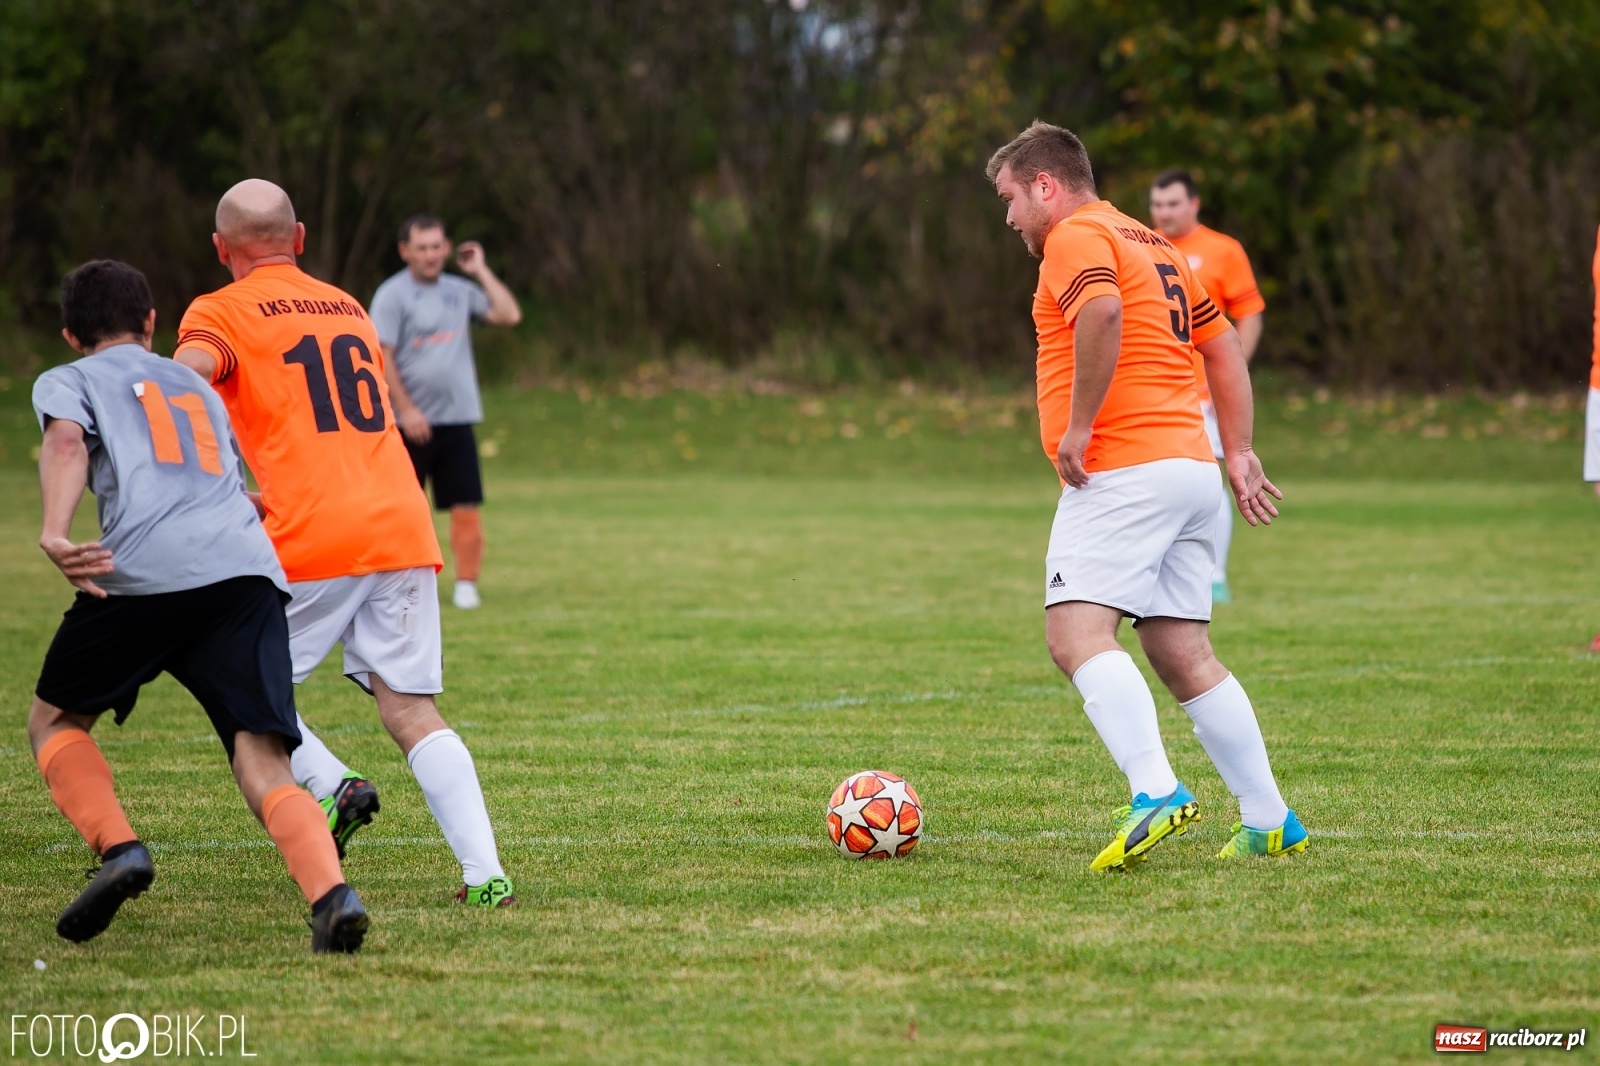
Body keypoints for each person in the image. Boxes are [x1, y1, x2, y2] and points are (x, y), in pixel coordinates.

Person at [174, 180, 516, 907]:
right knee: (412, 710)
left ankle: (332, 786)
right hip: (398, 521)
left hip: (309, 530)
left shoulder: (217, 310)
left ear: (220, 248)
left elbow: (186, 381)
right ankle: (487, 878)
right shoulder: (346, 303)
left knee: (231, 678)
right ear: (298, 238)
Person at [986, 121, 1307, 869]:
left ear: (1046, 186)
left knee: (1074, 637)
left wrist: (1079, 425)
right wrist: (1240, 450)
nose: (1008, 219)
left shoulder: (1074, 236)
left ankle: (1156, 791)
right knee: (1181, 648)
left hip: (1123, 470)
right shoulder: (1151, 241)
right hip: (1190, 471)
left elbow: (1101, 314)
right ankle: (1268, 818)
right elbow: (1221, 345)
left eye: (1009, 199)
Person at [29, 259, 367, 951]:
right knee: (262, 755)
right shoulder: (193, 381)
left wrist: (56, 531)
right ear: (152, 322)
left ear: (70, 335)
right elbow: (211, 476)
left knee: (55, 719)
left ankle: (120, 848)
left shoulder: (70, 379)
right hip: (243, 572)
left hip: (145, 573)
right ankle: (331, 896)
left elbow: (66, 441)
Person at [370, 216, 522, 610]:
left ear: (447, 247)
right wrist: (406, 410)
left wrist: (481, 270)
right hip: (409, 423)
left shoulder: (459, 290)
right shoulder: (392, 295)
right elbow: (381, 357)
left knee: (466, 503)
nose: (431, 255)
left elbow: (509, 316)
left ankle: (467, 585)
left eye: (437, 246)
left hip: (456, 418)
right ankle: (401, 584)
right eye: (422, 247)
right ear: (405, 251)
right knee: (404, 509)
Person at [1148, 169, 1267, 604]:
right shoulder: (1142, 245)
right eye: (1157, 205)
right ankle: (1163, 568)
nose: (1164, 213)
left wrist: (1232, 373)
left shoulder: (1222, 250)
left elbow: (1249, 312)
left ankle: (1214, 575)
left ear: (1194, 204)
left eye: (1173, 204)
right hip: (1158, 389)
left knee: (1210, 479)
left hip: (1204, 392)